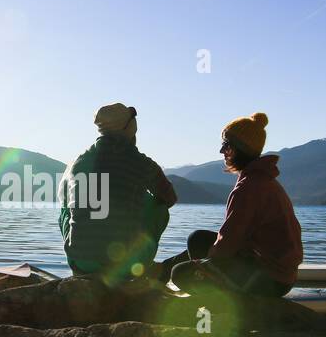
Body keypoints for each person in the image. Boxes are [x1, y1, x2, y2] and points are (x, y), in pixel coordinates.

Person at [162, 111, 302, 300]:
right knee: (199, 239)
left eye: (226, 145)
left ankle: (232, 303)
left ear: (239, 148)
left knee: (180, 273)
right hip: (275, 271)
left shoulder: (249, 187)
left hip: (269, 279)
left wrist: (203, 265)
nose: (222, 151)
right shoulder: (262, 180)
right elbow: (231, 240)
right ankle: (165, 271)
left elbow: (227, 245)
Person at [59, 103, 177, 283]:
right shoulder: (142, 163)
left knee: (66, 210)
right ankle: (138, 264)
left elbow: (65, 199)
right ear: (129, 127)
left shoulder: (79, 161)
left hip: (80, 263)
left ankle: (82, 267)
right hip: (125, 268)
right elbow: (170, 199)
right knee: (158, 207)